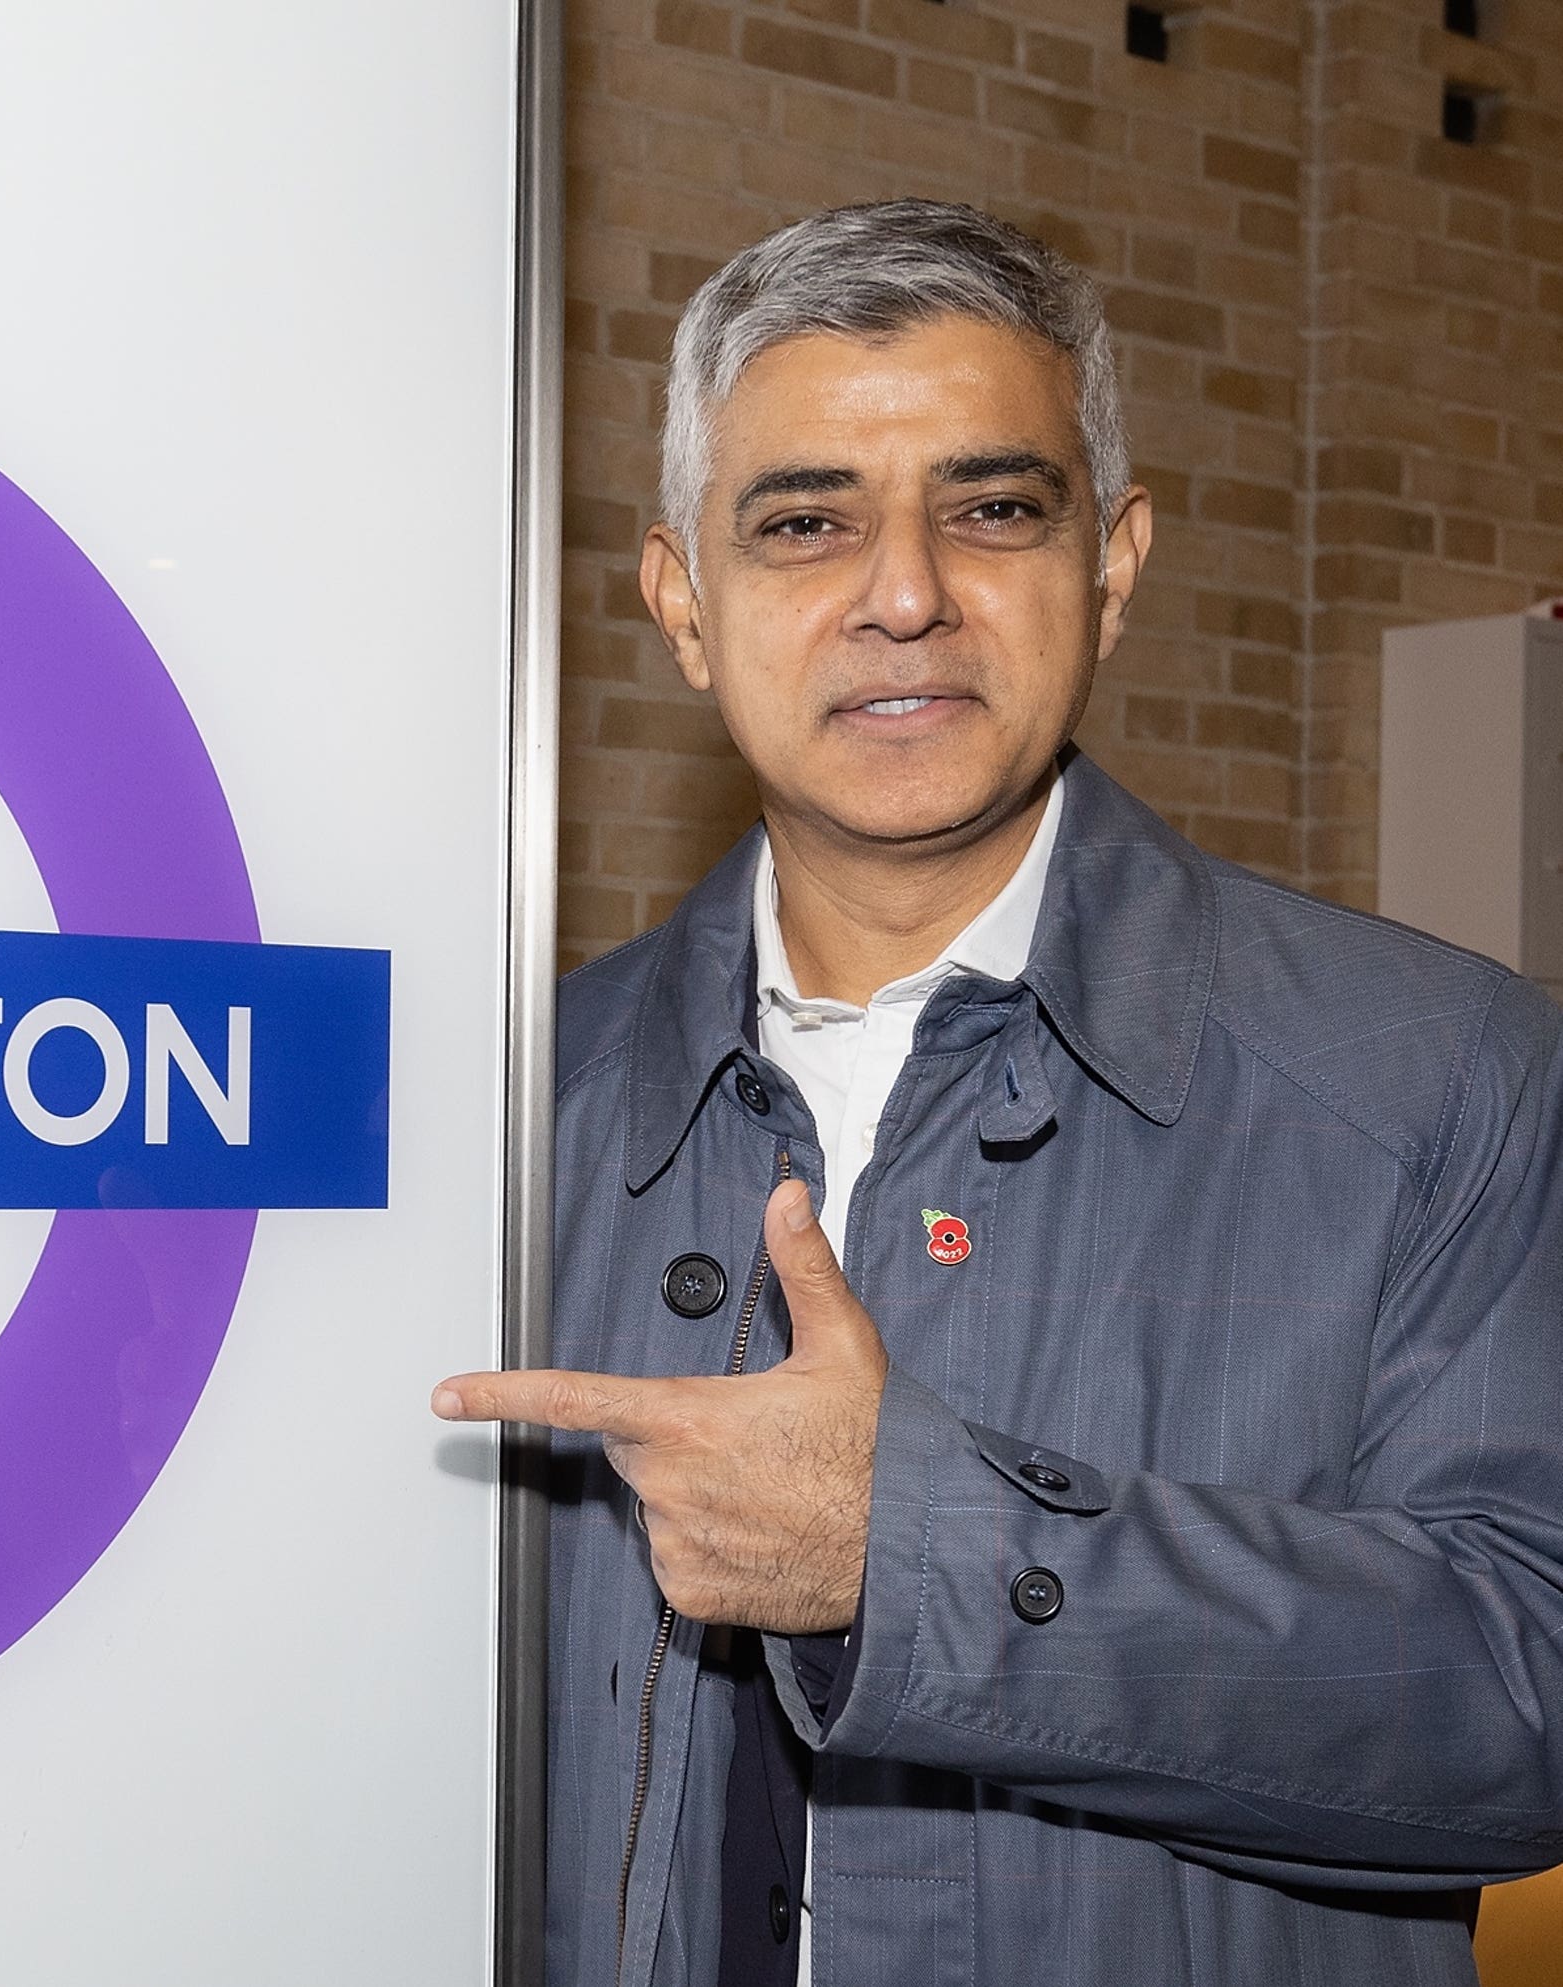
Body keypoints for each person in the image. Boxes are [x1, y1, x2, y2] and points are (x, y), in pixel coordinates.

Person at [432, 199, 1563, 1986]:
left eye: (991, 509)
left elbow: (1528, 1701)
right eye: (803, 522)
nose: (902, 594)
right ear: (683, 605)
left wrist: (916, 1551)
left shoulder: (1438, 1079)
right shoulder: (497, 1117)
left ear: (1109, 566)